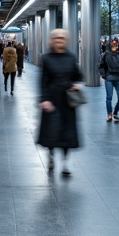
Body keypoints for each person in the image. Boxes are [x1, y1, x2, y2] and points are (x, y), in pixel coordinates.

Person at [39, 29, 83, 174]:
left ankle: (65, 163)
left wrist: (77, 84)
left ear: (66, 40)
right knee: (51, 133)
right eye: (56, 37)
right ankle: (51, 157)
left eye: (62, 37)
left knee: (67, 134)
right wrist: (44, 99)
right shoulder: (46, 58)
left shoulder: (71, 57)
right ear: (51, 40)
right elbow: (43, 81)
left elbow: (78, 75)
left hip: (67, 102)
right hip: (52, 100)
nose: (59, 40)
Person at [99, 38, 119, 122]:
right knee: (109, 97)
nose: (114, 44)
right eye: (113, 43)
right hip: (109, 78)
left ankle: (115, 113)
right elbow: (101, 65)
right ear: (111, 44)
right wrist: (104, 75)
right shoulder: (106, 54)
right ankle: (109, 114)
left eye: (116, 43)